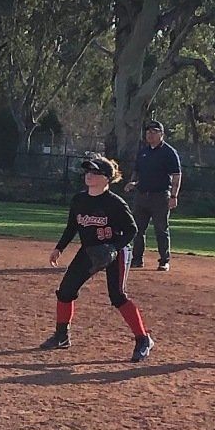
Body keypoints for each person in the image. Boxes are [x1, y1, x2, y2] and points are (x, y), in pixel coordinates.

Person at [43, 154, 152, 364]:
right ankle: (61, 336)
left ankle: (143, 339)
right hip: (89, 250)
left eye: (95, 172)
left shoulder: (115, 203)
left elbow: (132, 230)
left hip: (115, 251)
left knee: (117, 296)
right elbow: (72, 226)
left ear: (106, 178)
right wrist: (59, 248)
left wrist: (113, 248)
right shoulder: (79, 200)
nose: (89, 175)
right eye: (88, 172)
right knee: (65, 291)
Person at [128, 118, 182, 271]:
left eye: (154, 132)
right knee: (137, 229)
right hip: (141, 196)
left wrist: (173, 196)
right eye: (148, 132)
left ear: (162, 134)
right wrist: (133, 182)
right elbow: (137, 172)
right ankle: (137, 259)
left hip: (160, 196)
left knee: (161, 229)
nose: (150, 135)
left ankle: (164, 260)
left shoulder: (169, 152)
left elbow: (176, 175)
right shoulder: (143, 152)